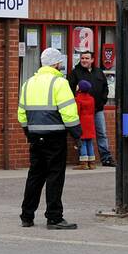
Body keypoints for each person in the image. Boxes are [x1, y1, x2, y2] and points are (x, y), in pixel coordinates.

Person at [18, 47, 82, 229]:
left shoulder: (28, 83)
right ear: (56, 64)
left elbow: (21, 114)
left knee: (35, 176)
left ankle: (26, 216)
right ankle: (54, 217)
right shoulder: (59, 83)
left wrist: (29, 133)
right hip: (55, 138)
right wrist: (77, 134)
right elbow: (69, 112)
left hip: (35, 137)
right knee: (55, 176)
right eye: (60, 63)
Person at [68, 49, 113, 166]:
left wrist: (102, 101)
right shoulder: (75, 73)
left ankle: (106, 158)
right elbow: (70, 90)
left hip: (97, 110)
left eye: (87, 58)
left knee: (101, 133)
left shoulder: (99, 72)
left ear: (92, 60)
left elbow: (105, 88)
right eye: (82, 58)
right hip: (82, 112)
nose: (84, 60)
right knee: (82, 135)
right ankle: (83, 160)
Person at [75, 80, 97, 169]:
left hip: (82, 122)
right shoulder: (92, 99)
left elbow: (77, 112)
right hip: (90, 122)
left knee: (83, 143)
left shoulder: (78, 99)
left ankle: (84, 163)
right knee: (90, 142)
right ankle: (92, 163)